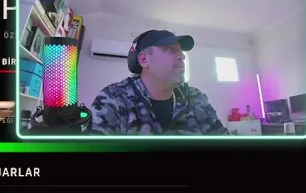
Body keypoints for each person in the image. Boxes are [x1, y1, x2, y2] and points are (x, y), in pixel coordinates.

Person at [89, 29, 227, 135]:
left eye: (180, 51)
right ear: (144, 60)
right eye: (170, 49)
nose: (182, 56)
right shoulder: (114, 99)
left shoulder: (195, 98)